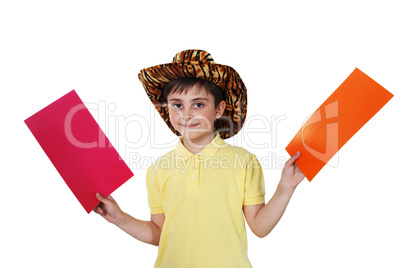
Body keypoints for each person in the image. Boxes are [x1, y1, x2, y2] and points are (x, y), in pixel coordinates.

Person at [94, 49, 305, 267]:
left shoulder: (243, 162)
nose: (186, 114)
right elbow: (159, 233)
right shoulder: (159, 169)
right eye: (177, 105)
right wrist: (119, 218)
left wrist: (285, 187)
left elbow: (260, 227)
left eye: (198, 104)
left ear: (218, 109)